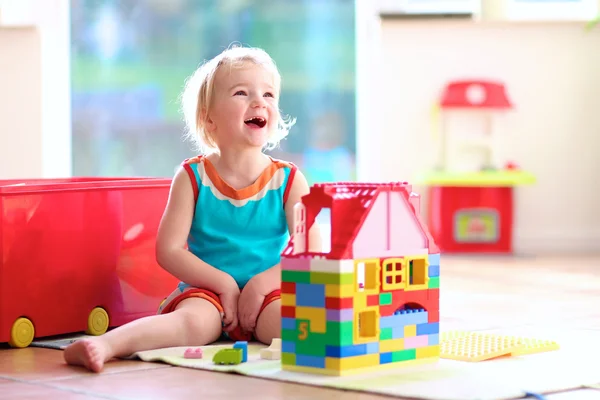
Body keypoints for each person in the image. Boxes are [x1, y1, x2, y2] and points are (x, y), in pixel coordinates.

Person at [64, 45, 320, 372]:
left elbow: (313, 248)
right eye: (242, 92)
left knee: (292, 326)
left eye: (269, 95)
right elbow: (168, 250)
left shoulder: (289, 180)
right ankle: (105, 344)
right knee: (191, 326)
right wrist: (224, 284)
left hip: (269, 293)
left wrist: (261, 285)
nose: (259, 102)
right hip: (207, 294)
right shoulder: (192, 177)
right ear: (208, 118)